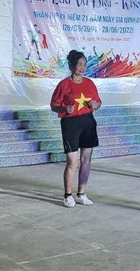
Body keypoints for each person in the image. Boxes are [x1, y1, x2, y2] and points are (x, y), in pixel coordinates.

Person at [50, 50, 101, 207]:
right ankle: (67, 195)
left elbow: (98, 102)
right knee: (72, 162)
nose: (82, 67)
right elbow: (53, 105)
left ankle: (81, 194)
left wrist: (95, 105)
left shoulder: (89, 83)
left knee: (86, 160)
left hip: (88, 123)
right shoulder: (64, 84)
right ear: (71, 65)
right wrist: (64, 108)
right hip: (70, 124)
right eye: (79, 64)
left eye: (84, 64)